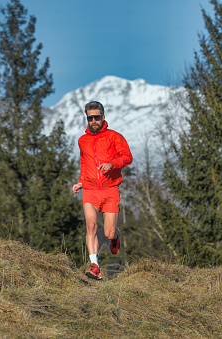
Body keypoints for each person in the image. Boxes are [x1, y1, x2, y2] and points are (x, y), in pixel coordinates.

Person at [72, 101, 133, 280]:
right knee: (91, 226)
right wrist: (81, 182)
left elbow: (127, 157)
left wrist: (112, 163)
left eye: (96, 117)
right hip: (90, 190)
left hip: (110, 190)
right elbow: (85, 164)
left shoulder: (115, 137)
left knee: (109, 233)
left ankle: (116, 235)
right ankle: (95, 267)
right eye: (90, 118)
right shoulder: (82, 141)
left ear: (103, 117)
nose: (93, 121)